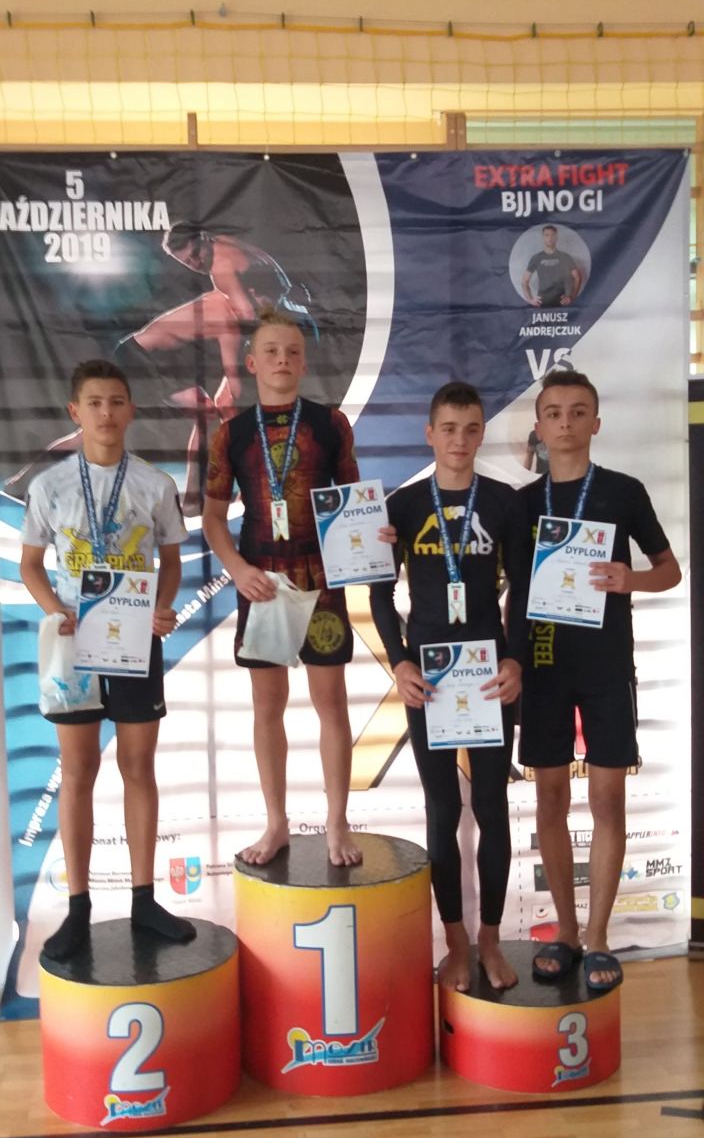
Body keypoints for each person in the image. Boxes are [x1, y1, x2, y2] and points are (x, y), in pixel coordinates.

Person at [20, 359, 193, 960]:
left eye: (117, 401)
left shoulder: (154, 484)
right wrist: (55, 611)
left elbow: (171, 561)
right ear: (75, 411)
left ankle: (144, 900)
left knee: (138, 766)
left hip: (134, 640)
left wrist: (162, 607)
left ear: (131, 410)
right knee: (78, 771)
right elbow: (30, 565)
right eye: (94, 402)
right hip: (73, 647)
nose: (106, 412)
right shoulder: (49, 487)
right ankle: (78, 909)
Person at [520, 369, 681, 992]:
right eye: (554, 412)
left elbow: (669, 570)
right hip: (542, 665)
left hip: (608, 666)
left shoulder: (623, 491)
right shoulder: (522, 503)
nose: (565, 422)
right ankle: (564, 929)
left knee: (608, 800)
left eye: (577, 411)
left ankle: (598, 937)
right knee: (550, 800)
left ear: (596, 422)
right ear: (539, 427)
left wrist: (628, 579)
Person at [370, 382, 531, 991]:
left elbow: (525, 589)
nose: (459, 440)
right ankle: (455, 942)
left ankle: (490, 938)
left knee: (490, 806)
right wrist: (398, 662)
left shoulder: (505, 502)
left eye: (470, 428)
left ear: (482, 432)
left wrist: (515, 660)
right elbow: (379, 593)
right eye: (448, 428)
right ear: (429, 433)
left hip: (488, 677)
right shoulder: (404, 505)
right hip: (429, 678)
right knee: (442, 809)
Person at [202, 308, 362, 868]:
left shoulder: (331, 424)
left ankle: (338, 821)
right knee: (267, 706)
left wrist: (371, 537)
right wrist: (236, 570)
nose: (282, 360)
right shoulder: (231, 433)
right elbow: (213, 519)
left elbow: (353, 506)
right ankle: (276, 822)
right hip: (262, 583)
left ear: (305, 361)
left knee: (331, 703)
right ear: (251, 363)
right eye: (271, 351)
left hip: (321, 581)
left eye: (293, 351)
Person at [119, 226, 318, 514]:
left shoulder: (224, 276)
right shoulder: (226, 271)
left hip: (148, 357)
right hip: (137, 359)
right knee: (220, 410)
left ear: (204, 239)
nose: (196, 263)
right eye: (188, 262)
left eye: (196, 254)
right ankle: (214, 495)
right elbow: (236, 361)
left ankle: (213, 496)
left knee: (220, 410)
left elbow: (249, 317)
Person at [521, 224, 582, 307]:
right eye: (547, 235)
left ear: (556, 237)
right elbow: (524, 281)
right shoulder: (536, 258)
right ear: (543, 238)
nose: (550, 238)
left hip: (562, 303)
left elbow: (577, 277)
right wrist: (530, 299)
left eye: (552, 235)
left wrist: (572, 297)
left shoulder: (565, 257)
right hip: (542, 303)